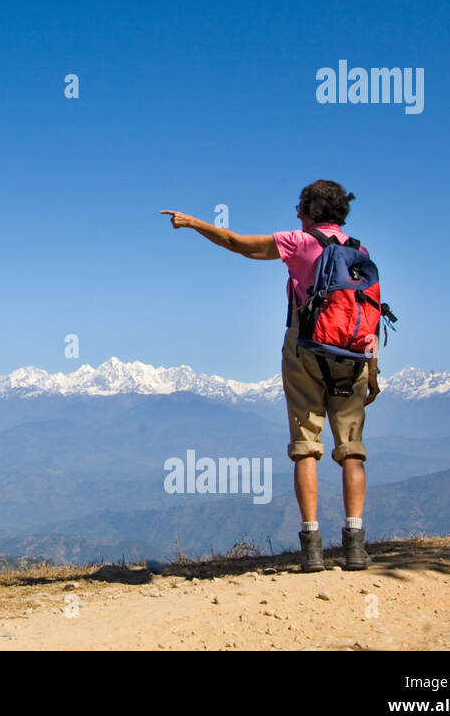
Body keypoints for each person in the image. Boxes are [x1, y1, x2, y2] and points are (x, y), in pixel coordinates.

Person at [160, 181, 378, 572]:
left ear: (310, 210)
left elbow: (237, 242)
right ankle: (356, 546)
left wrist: (194, 223)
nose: (297, 214)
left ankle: (312, 547)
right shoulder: (359, 251)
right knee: (352, 448)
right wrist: (372, 371)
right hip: (354, 355)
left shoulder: (299, 240)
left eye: (300, 207)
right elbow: (367, 313)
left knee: (306, 445)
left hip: (306, 347)